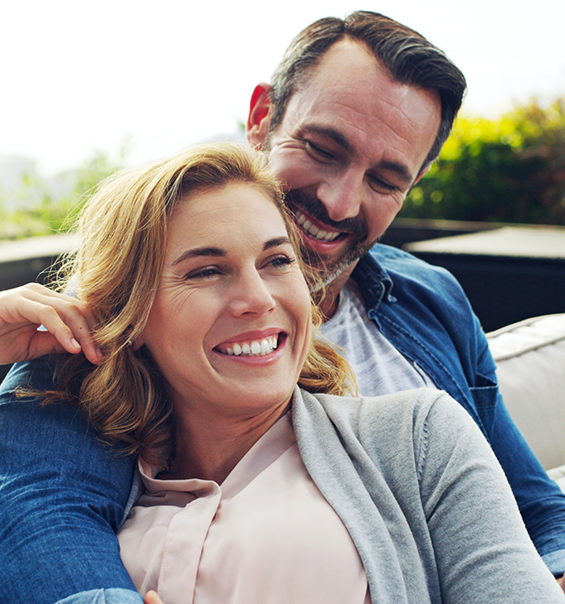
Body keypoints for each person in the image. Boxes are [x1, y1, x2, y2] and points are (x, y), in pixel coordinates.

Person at [1, 9, 565, 601]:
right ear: (263, 117)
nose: (340, 202)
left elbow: (528, 505)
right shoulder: (96, 339)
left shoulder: (430, 309)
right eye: (324, 149)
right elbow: (39, 508)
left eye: (385, 181)